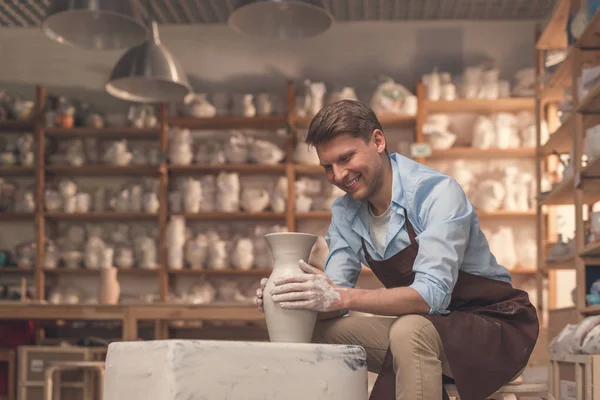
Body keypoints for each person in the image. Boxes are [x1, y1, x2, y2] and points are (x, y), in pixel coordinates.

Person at [255, 99, 539, 400]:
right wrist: (292, 297)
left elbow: (430, 295)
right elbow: (335, 300)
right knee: (309, 330)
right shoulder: (346, 213)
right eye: (328, 166)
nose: (338, 176)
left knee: (409, 331)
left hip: (493, 327)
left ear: (378, 141)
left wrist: (338, 296)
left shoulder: (436, 193)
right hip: (427, 328)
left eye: (346, 158)